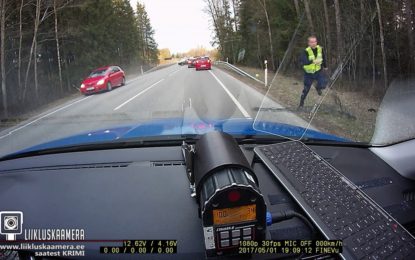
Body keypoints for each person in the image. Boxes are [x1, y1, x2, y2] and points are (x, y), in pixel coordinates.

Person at [299, 35, 328, 108]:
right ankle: (301, 103)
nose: (313, 43)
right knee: (306, 89)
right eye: (311, 42)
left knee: (323, 84)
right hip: (308, 74)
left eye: (315, 41)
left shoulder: (320, 49)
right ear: (308, 43)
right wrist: (312, 61)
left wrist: (325, 66)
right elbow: (304, 61)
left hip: (318, 72)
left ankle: (318, 87)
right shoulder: (305, 51)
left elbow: (323, 57)